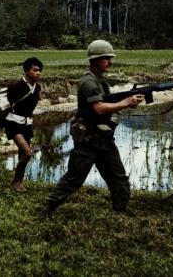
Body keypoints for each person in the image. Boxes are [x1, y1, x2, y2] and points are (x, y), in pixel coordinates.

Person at [42, 40, 144, 216]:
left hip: (103, 138)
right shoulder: (88, 82)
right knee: (74, 178)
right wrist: (125, 103)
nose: (110, 62)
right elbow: (98, 108)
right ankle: (49, 207)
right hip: (88, 139)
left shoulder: (100, 81)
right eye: (106, 59)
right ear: (96, 60)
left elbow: (107, 104)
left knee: (117, 175)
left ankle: (120, 209)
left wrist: (125, 102)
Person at [6, 57, 43, 192]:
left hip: (27, 125)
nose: (38, 73)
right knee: (28, 153)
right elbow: (9, 106)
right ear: (27, 71)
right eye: (35, 70)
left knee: (22, 154)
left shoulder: (37, 87)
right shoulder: (15, 87)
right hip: (13, 124)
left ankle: (19, 182)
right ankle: (16, 181)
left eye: (40, 70)